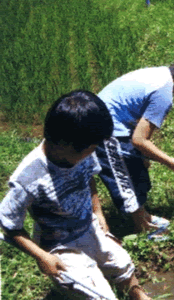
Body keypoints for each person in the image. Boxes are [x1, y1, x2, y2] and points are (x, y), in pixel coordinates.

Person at [0, 90, 150, 300]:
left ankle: (140, 297)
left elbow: (89, 178)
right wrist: (42, 256)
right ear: (64, 144)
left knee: (122, 263)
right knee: (98, 295)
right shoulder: (28, 178)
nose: (91, 153)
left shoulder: (83, 151)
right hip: (58, 244)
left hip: (88, 226)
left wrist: (98, 212)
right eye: (89, 149)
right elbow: (9, 226)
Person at [96, 51, 174, 237]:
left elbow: (139, 133)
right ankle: (142, 229)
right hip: (104, 131)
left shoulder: (161, 75)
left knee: (139, 170)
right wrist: (170, 161)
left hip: (113, 123)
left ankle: (143, 216)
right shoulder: (163, 95)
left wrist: (145, 156)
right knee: (125, 181)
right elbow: (139, 140)